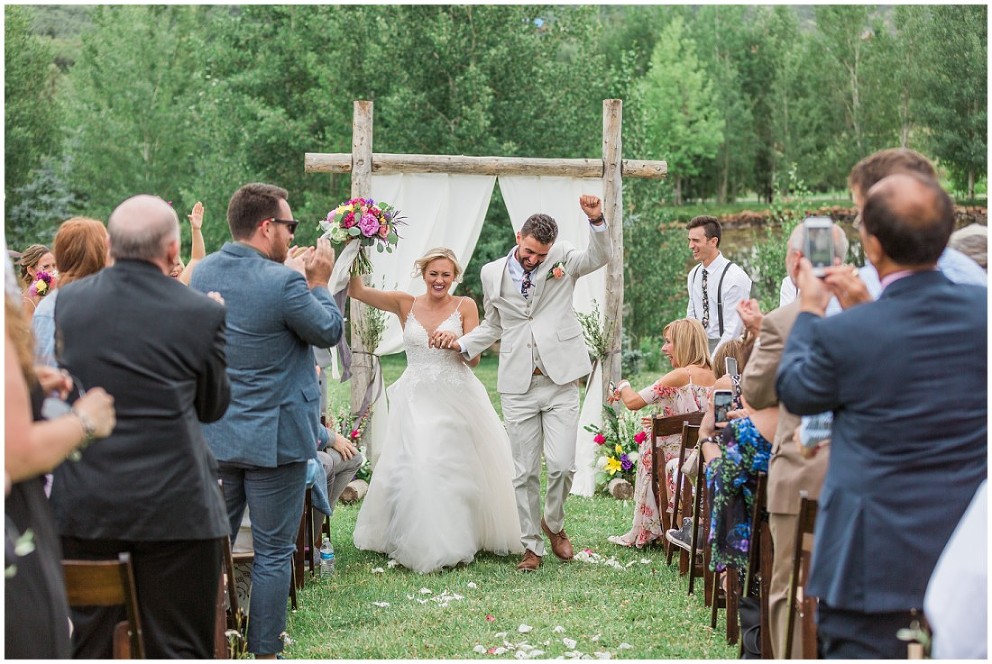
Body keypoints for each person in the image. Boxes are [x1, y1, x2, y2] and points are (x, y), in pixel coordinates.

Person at [776, 173, 987, 659]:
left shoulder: (844, 333)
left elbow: (797, 390)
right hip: (969, 552)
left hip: (869, 562)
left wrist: (810, 311)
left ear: (871, 246)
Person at [50, 195, 231, 658]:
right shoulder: (202, 312)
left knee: (91, 646)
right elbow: (212, 407)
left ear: (111, 243)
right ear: (173, 251)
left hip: (88, 505)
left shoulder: (69, 302)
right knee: (180, 648)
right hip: (178, 509)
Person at [190, 182, 343, 658]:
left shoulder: (203, 273)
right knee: (275, 552)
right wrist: (318, 281)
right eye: (288, 225)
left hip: (217, 432)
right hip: (276, 438)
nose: (291, 233)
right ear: (265, 227)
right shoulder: (285, 283)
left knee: (211, 545)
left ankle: (202, 642)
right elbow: (328, 329)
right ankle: (264, 651)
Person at [434, 196, 611, 572]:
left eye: (540, 255)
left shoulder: (562, 257)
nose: (534, 260)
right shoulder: (491, 272)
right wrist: (462, 343)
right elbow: (494, 324)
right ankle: (531, 546)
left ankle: (554, 523)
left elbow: (600, 257)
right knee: (524, 471)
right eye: (529, 252)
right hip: (517, 384)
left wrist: (596, 220)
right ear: (519, 237)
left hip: (560, 379)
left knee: (563, 465)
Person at [350, 248, 522, 572]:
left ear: (454, 277)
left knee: (448, 465)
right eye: (433, 274)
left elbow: (474, 359)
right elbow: (357, 291)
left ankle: (453, 541)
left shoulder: (465, 306)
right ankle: (412, 537)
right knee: (415, 463)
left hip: (456, 395)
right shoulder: (405, 303)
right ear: (423, 273)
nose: (439, 280)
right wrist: (356, 244)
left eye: (446, 275)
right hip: (415, 397)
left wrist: (457, 342)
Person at [737, 221, 847, 658]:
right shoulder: (866, 312)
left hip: (800, 473)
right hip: (860, 471)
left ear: (797, 261)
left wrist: (763, 337)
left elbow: (756, 392)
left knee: (788, 585)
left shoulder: (784, 321)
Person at [605, 318, 714, 548]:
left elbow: (633, 402)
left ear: (683, 343)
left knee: (650, 446)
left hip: (679, 455)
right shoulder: (717, 374)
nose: (664, 349)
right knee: (653, 435)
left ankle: (651, 528)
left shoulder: (679, 376)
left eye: (668, 342)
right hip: (708, 450)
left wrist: (623, 385)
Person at [31, 217, 109, 367]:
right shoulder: (121, 299)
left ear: (60, 255)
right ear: (103, 253)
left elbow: (46, 370)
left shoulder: (50, 307)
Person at [685, 216, 752, 356]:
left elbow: (733, 330)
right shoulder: (694, 275)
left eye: (696, 240)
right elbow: (691, 318)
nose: (690, 246)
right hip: (700, 349)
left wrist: (712, 362)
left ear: (713, 241)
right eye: (690, 240)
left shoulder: (734, 278)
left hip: (729, 351)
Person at [170, 200, 206, 284]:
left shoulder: (181, 284)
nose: (175, 270)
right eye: (171, 266)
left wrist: (196, 229)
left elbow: (197, 258)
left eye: (177, 264)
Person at [17, 244, 57, 315]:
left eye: (54, 265)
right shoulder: (23, 303)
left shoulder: (53, 296)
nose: (52, 270)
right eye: (46, 266)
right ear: (30, 270)